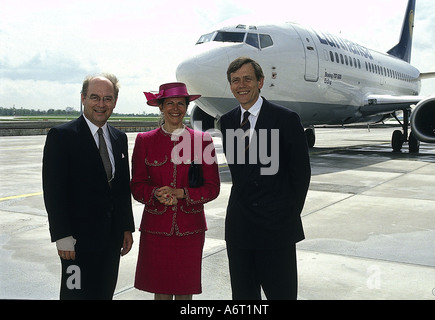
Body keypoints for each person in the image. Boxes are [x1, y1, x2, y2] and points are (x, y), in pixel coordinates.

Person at [219, 57, 311, 300]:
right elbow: (241, 173)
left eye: (247, 79)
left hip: (276, 230)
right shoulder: (227, 122)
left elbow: (301, 175)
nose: (241, 85)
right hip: (240, 229)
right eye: (235, 80)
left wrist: (285, 215)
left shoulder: (286, 119)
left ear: (260, 82)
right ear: (230, 86)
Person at [42, 73, 135, 300]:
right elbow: (54, 191)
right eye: (95, 97)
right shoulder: (61, 136)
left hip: (111, 241)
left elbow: (122, 189)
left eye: (107, 98)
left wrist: (126, 227)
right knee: (75, 294)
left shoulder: (119, 138)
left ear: (114, 101)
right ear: (83, 98)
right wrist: (62, 235)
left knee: (104, 294)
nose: (101, 104)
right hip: (76, 244)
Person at [131, 82, 220, 300]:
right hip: (156, 230)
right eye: (169, 103)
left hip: (189, 229)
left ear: (187, 107)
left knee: (184, 290)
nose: (175, 108)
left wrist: (181, 194)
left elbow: (212, 188)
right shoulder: (145, 141)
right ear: (160, 107)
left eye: (181, 103)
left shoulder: (203, 141)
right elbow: (137, 185)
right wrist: (155, 194)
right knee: (160, 291)